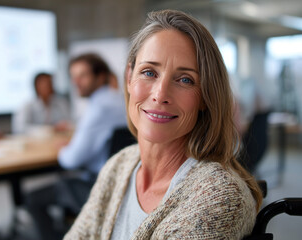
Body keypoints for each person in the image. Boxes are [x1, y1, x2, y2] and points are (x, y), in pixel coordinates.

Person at [64, 10, 263, 240]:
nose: (160, 94)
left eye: (185, 79)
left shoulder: (219, 196)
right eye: (149, 72)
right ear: (129, 77)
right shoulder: (120, 164)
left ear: (205, 97)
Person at [26, 53, 127, 240]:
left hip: (97, 186)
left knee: (33, 198)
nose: (76, 82)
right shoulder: (122, 101)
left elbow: (71, 160)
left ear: (101, 76)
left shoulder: (97, 109)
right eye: (73, 76)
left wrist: (65, 148)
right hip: (123, 182)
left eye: (83, 76)